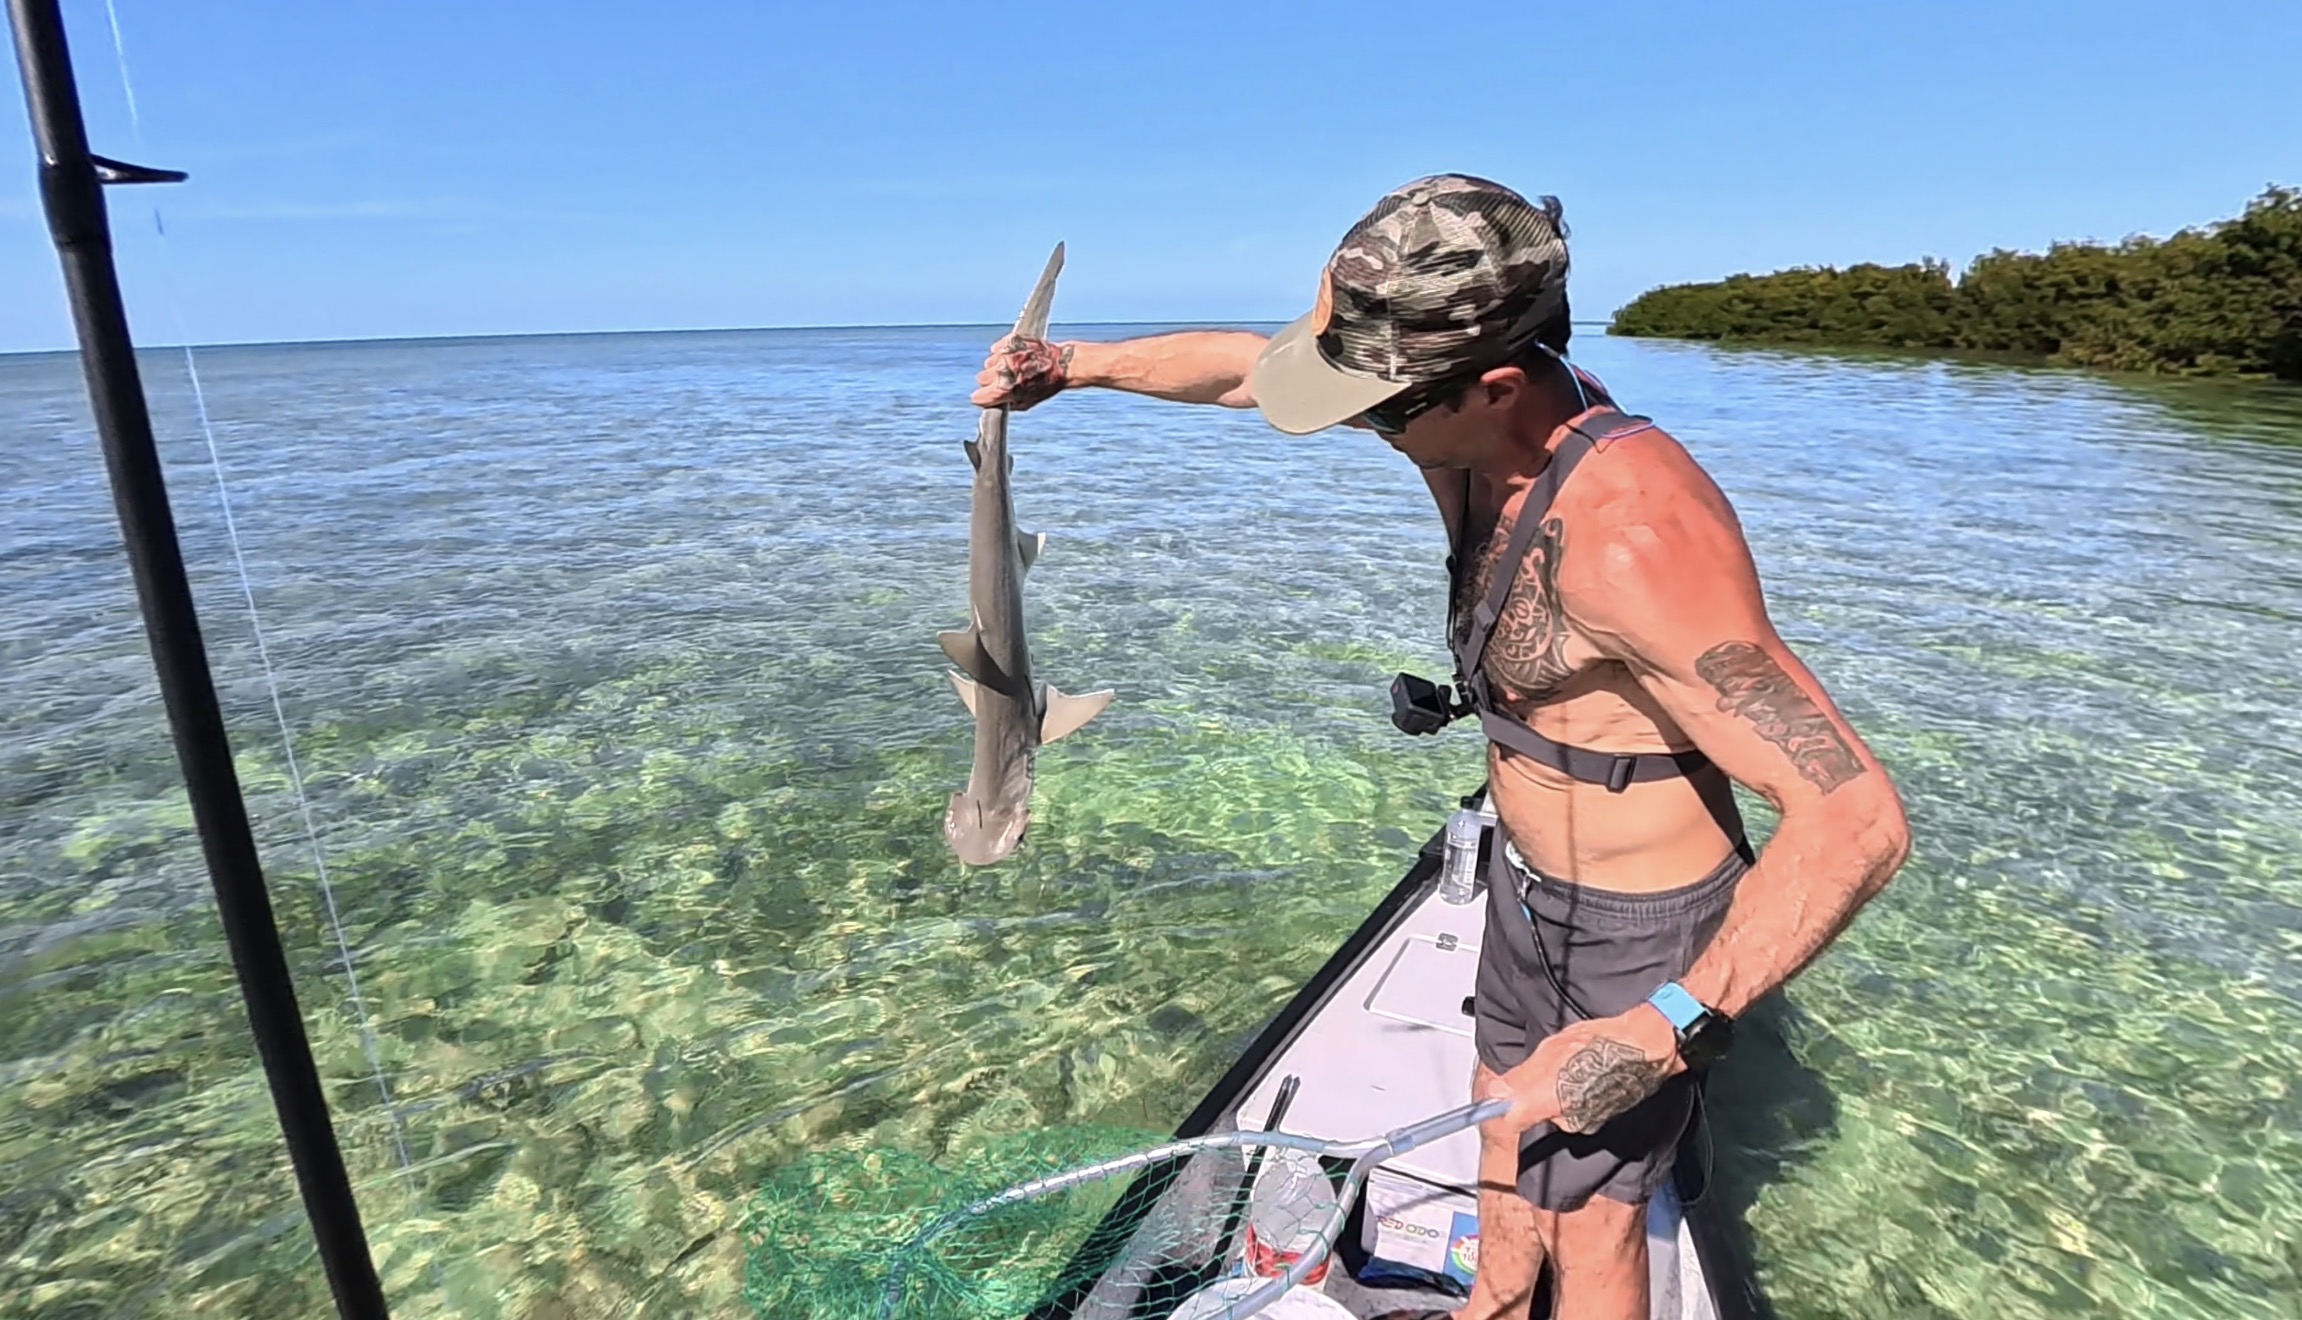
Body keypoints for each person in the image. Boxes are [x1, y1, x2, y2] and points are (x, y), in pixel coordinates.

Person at [969, 174, 1912, 1320]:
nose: (1354, 422)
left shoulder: (1634, 544)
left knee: (1593, 1225)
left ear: (1495, 383)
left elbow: (1855, 818)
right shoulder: (1447, 405)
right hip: (1523, 884)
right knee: (1500, 1144)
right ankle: (1491, 1306)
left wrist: (1661, 1028)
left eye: (1375, 406)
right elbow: (1243, 374)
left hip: (1635, 927)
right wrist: (1068, 367)